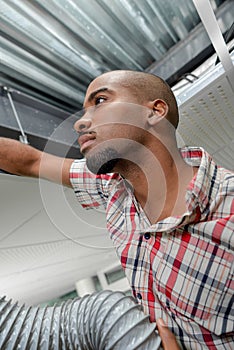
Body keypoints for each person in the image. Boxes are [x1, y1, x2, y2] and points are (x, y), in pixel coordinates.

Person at [0, 70, 233, 349]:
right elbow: (31, 162)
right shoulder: (115, 190)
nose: (80, 123)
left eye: (99, 101)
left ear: (155, 111)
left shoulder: (228, 208)